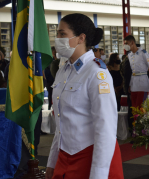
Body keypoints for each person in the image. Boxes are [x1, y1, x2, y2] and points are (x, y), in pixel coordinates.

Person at [45, 13, 123, 179]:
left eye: (62, 34)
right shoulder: (63, 71)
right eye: (57, 34)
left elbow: (105, 129)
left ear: (81, 38)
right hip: (65, 156)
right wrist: (52, 162)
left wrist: (98, 175)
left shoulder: (96, 73)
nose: (57, 38)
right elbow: (61, 124)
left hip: (91, 157)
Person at [124, 35, 149, 108]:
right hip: (134, 83)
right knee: (134, 106)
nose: (125, 46)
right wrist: (130, 85)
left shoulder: (143, 53)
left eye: (127, 43)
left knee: (142, 106)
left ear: (132, 43)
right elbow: (132, 71)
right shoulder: (130, 55)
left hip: (143, 83)